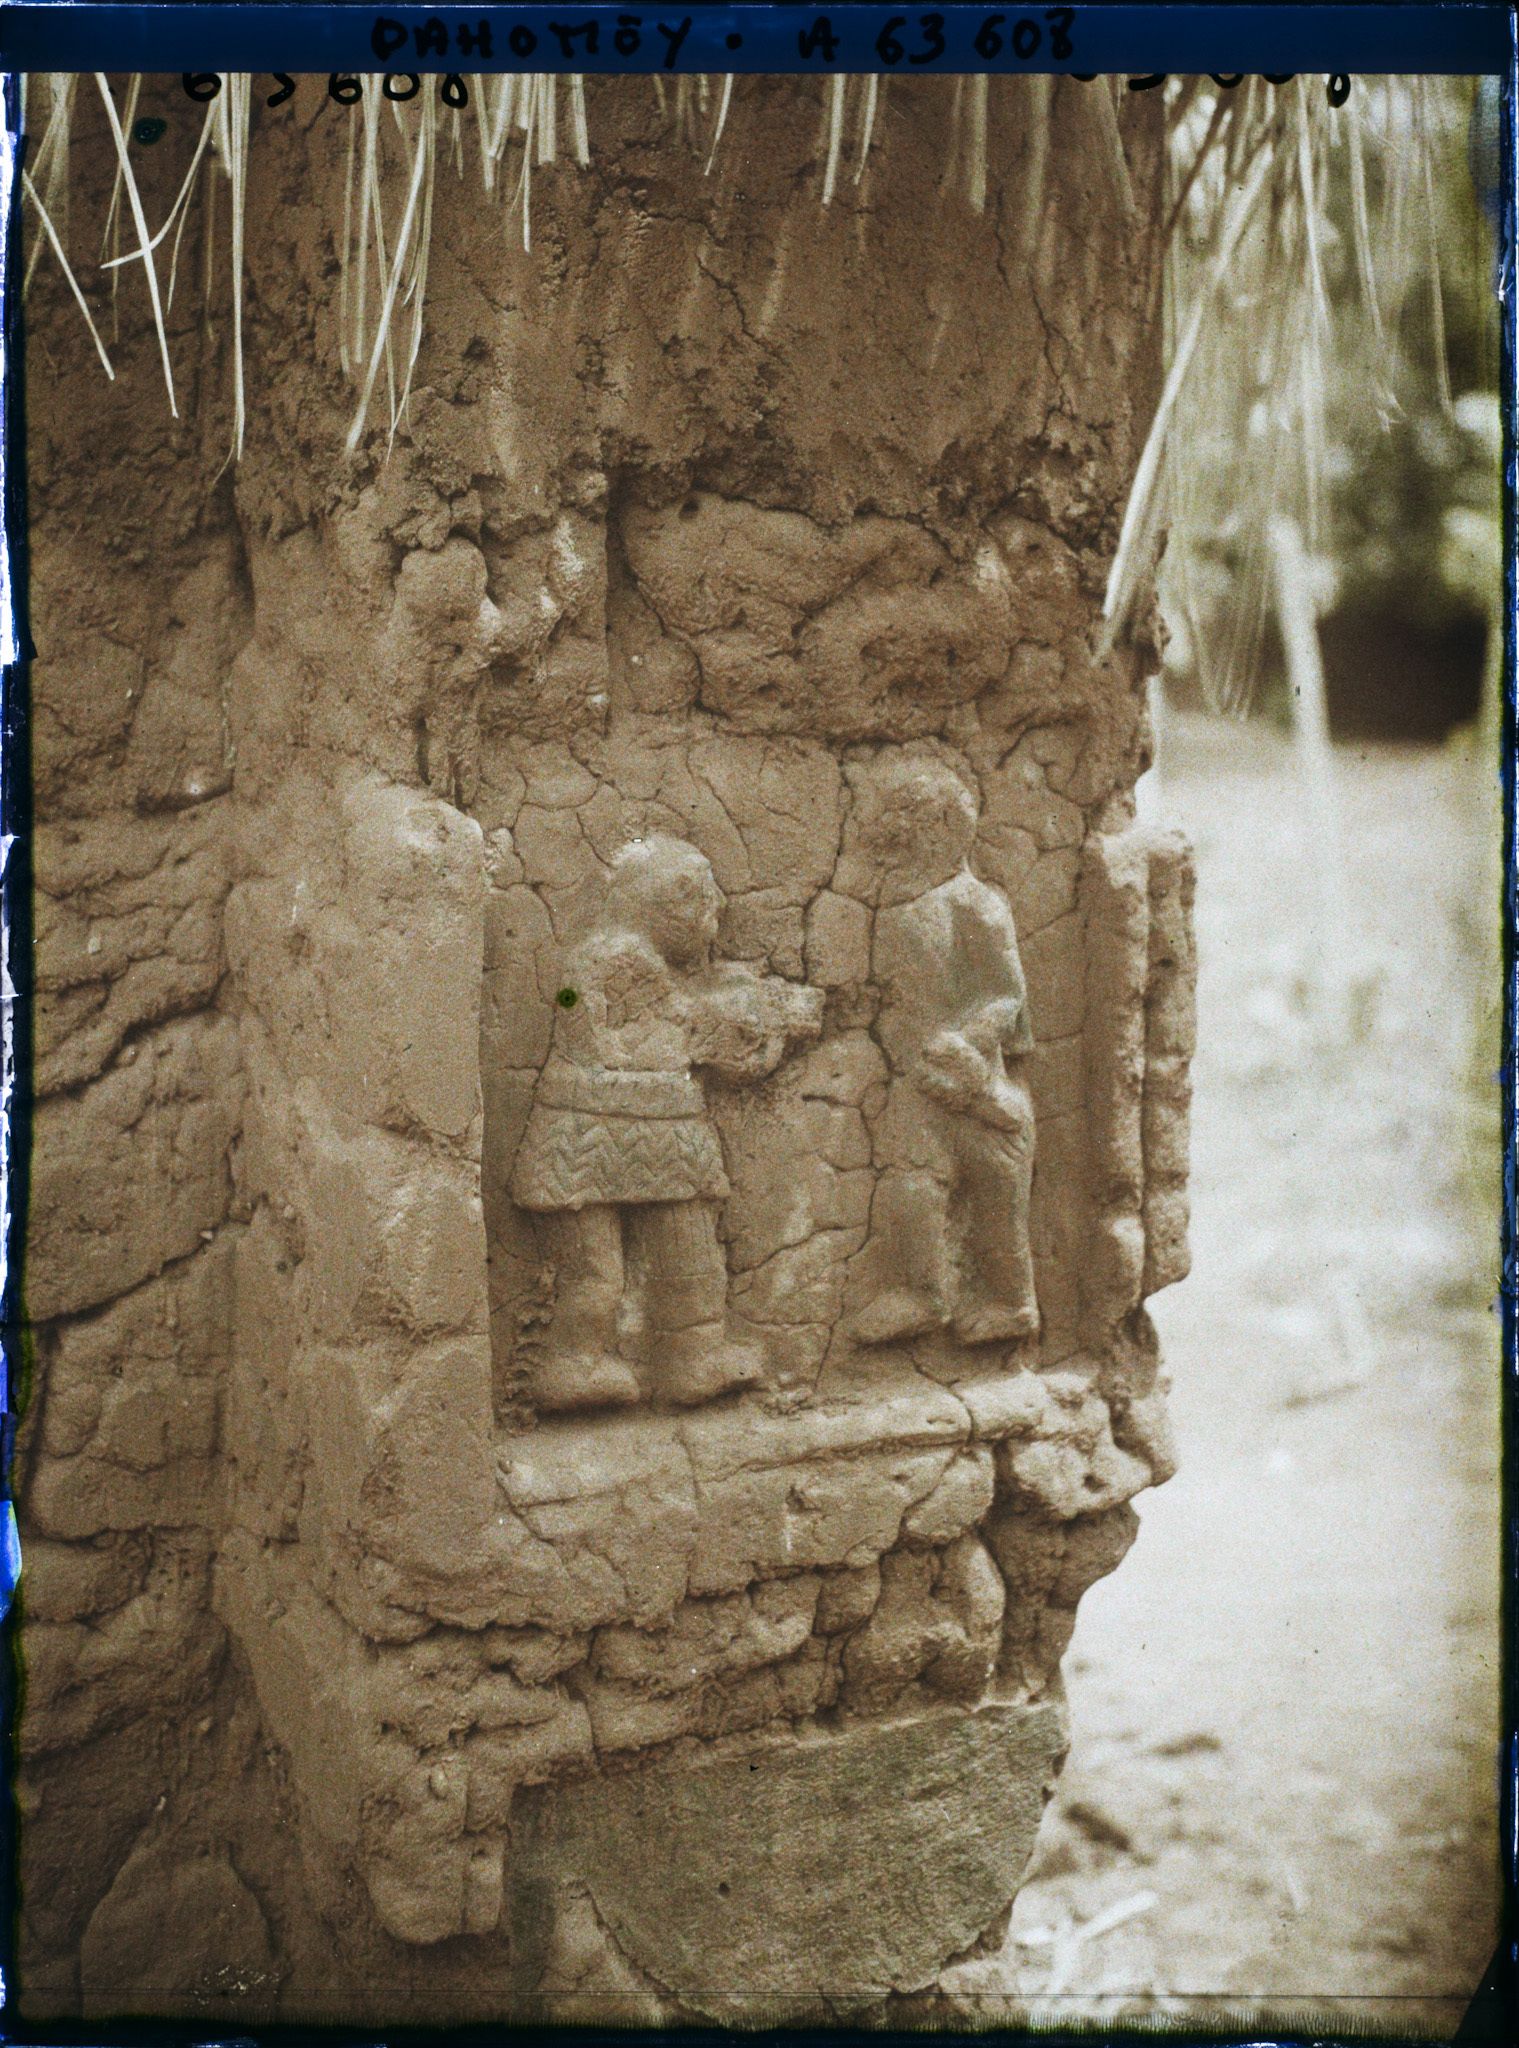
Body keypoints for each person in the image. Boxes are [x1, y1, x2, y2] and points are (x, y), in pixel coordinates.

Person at [510, 834, 823, 1409]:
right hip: (606, 1132)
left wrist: (746, 1007)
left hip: (635, 1132)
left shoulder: (620, 957)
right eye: (705, 913)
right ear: (668, 907)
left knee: (659, 1261)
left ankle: (673, 1356)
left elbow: (682, 1014)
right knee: (616, 1271)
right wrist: (771, 1019)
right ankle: (583, 1362)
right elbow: (682, 1029)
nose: (712, 931)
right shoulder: (615, 960)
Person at [848, 756, 1040, 1348]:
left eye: (908, 830)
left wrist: (968, 1044)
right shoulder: (896, 908)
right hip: (916, 1087)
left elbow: (1007, 998)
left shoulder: (974, 904)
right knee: (908, 1193)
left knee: (995, 1204)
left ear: (942, 833)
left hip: (973, 1087)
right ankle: (924, 1293)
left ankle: (1013, 1303)